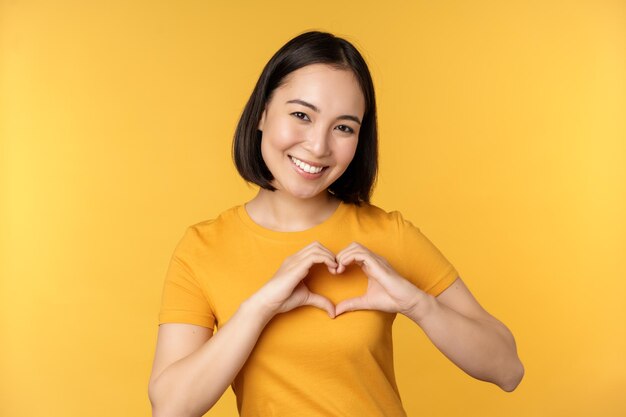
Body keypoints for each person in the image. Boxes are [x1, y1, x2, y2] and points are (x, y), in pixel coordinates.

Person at [148, 31, 524, 417]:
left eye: (343, 127)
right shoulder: (204, 248)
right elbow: (171, 408)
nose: (318, 146)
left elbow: (508, 369)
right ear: (261, 113)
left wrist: (417, 304)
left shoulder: (387, 236)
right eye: (301, 115)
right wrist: (259, 306)